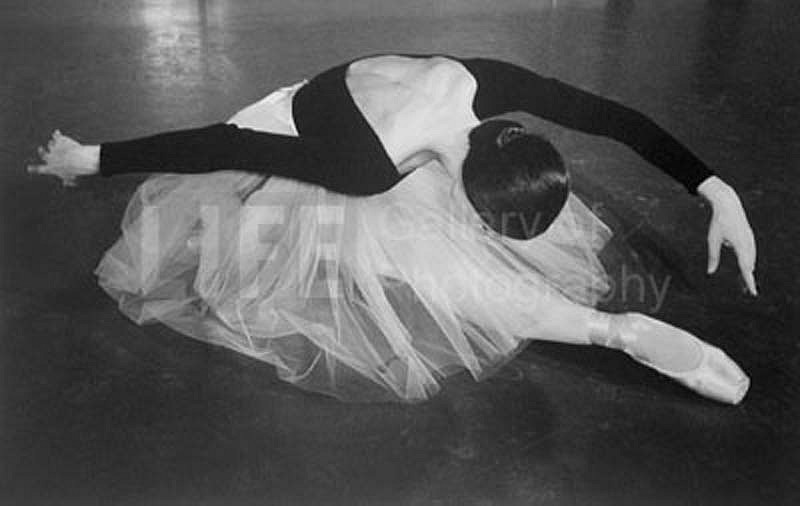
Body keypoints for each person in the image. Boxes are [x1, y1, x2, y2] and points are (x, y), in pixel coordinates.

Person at [28, 53, 757, 404]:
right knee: (269, 272)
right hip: (289, 129)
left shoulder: (496, 89)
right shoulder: (361, 168)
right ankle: (610, 331)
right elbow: (223, 143)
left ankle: (614, 331)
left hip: (379, 129)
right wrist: (95, 159)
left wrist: (714, 187)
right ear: (466, 198)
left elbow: (612, 117)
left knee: (435, 259)